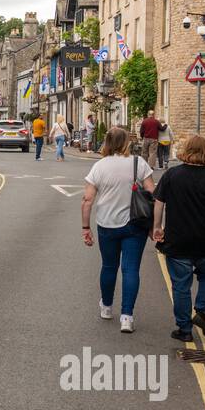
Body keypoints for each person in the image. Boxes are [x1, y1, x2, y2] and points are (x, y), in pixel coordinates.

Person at [152, 134, 205, 343]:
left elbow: (159, 203)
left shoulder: (172, 175)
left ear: (185, 151)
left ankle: (184, 329)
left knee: (181, 285)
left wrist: (157, 227)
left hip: (179, 240)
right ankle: (204, 313)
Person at [82, 126, 155, 334]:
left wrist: (85, 227)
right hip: (135, 224)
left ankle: (106, 307)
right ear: (126, 143)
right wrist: (154, 226)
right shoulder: (138, 163)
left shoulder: (99, 166)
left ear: (106, 142)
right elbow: (153, 195)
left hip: (106, 224)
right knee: (130, 270)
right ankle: (127, 317)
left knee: (109, 267)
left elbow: (87, 200)